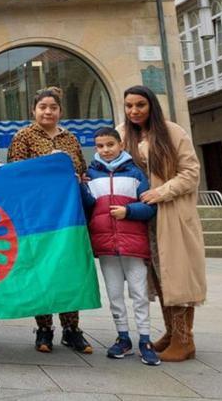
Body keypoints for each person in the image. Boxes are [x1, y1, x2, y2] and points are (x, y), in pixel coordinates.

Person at [118, 85, 207, 362]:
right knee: (157, 275)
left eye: (140, 105)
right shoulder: (122, 133)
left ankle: (184, 339)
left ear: (151, 106)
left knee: (176, 273)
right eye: (129, 105)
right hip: (141, 218)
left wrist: (161, 192)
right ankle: (171, 332)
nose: (134, 111)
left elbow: (191, 173)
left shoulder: (172, 132)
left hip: (172, 214)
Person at [7, 86, 92, 354]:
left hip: (67, 217)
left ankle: (72, 328)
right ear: (34, 110)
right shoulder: (23, 137)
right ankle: (44, 329)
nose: (48, 111)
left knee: (68, 267)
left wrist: (77, 179)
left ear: (60, 111)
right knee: (40, 269)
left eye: (53, 107)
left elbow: (83, 172)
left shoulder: (71, 139)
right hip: (37, 216)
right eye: (43, 107)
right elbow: (16, 174)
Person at [80, 127, 159, 365]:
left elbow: (150, 206)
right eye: (100, 146)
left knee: (139, 293)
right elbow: (88, 206)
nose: (105, 150)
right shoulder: (90, 176)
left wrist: (129, 211)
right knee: (114, 294)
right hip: (106, 246)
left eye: (110, 145)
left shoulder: (136, 174)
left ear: (120, 145)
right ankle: (123, 337)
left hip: (133, 244)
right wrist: (78, 186)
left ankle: (145, 339)